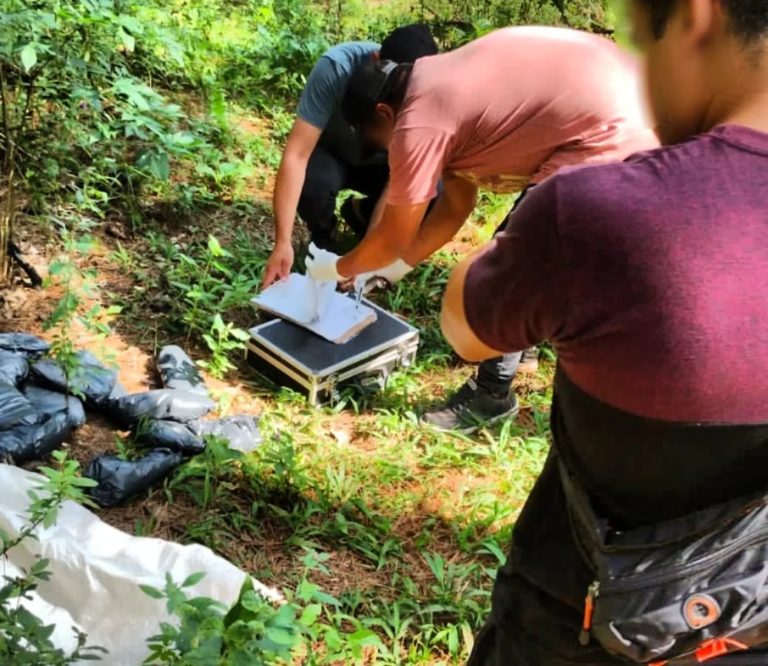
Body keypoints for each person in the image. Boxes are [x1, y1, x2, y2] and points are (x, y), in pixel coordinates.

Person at [440, 0, 768, 663]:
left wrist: (527, 216)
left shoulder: (600, 211)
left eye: (646, 43)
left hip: (582, 619)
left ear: (695, 19)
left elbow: (466, 332)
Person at [306, 26, 657, 433]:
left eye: (382, 142)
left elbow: (394, 236)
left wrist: (338, 269)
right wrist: (392, 268)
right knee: (535, 248)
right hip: (636, 99)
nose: (390, 151)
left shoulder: (418, 120)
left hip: (612, 128)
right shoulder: (439, 80)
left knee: (514, 258)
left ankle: (491, 393)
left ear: (385, 113)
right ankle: (516, 345)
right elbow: (457, 203)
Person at [261, 24, 438, 289]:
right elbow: (297, 155)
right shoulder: (337, 68)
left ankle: (362, 216)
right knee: (312, 185)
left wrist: (368, 258)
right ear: (376, 61)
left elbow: (399, 180)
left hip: (382, 170)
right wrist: (282, 242)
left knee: (433, 192)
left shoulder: (429, 96)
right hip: (335, 157)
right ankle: (324, 233)